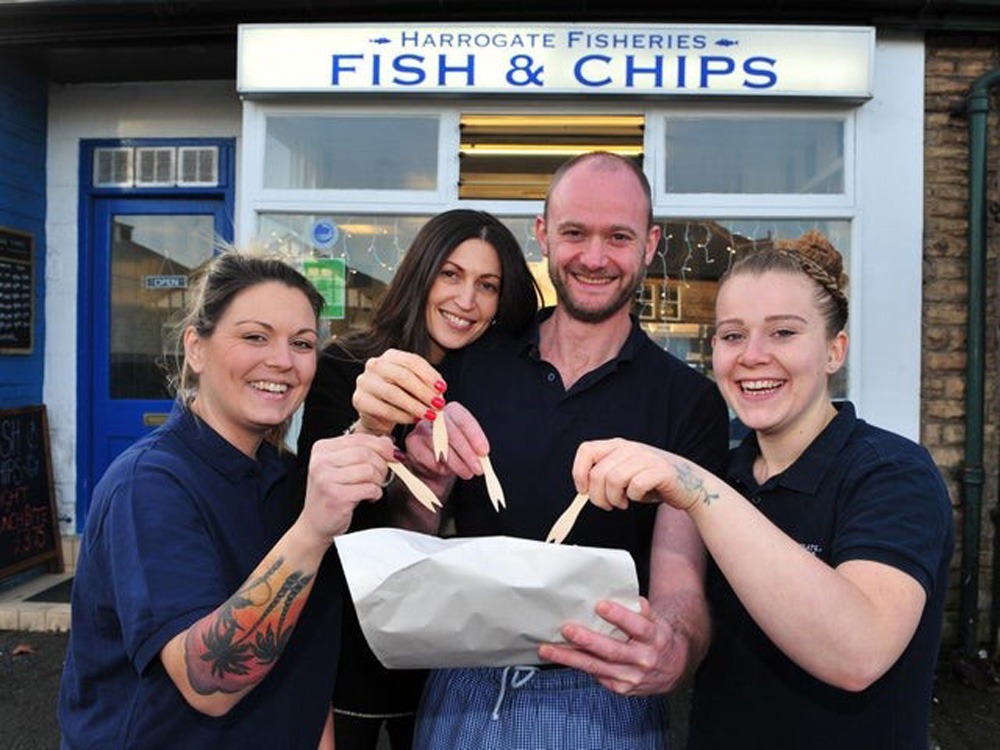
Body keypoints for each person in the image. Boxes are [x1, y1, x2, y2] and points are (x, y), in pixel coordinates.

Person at [363, 151, 730, 749]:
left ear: (651, 244)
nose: (593, 257)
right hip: (462, 687)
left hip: (602, 699)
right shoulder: (472, 367)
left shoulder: (689, 402)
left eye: (618, 237)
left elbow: (680, 589)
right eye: (574, 234)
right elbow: (417, 536)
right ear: (542, 236)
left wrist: (675, 648)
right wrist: (427, 482)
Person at [571, 231, 954, 748]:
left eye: (783, 333)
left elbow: (858, 652)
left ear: (834, 351)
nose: (752, 356)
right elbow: (686, 625)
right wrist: (662, 649)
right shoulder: (717, 477)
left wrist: (696, 487)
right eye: (732, 336)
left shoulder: (892, 473)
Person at [58, 253, 398, 749]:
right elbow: (209, 681)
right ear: (196, 347)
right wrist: (311, 531)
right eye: (255, 336)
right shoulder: (149, 484)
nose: (282, 360)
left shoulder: (288, 480)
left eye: (302, 343)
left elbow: (308, 660)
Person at [295, 209, 540, 750]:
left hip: (450, 653)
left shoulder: (492, 383)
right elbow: (326, 520)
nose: (466, 299)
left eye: (488, 285)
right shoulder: (349, 368)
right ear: (421, 273)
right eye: (450, 275)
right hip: (350, 641)